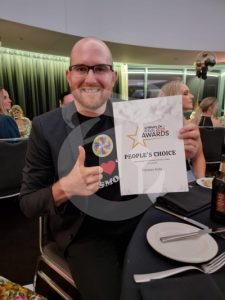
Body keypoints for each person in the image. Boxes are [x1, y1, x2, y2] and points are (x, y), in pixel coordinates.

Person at [20, 37, 201, 300]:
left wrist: (180, 152)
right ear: (69, 76)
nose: (91, 78)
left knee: (180, 284)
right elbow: (27, 203)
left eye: (100, 69)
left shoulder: (136, 115)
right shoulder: (45, 127)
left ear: (113, 77)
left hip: (139, 219)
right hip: (85, 235)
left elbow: (153, 170)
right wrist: (65, 188)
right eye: (81, 68)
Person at [158, 80, 206, 180]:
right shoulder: (155, 128)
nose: (192, 96)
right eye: (185, 93)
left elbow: (199, 156)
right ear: (172, 97)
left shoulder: (190, 127)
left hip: (188, 177)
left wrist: (201, 182)